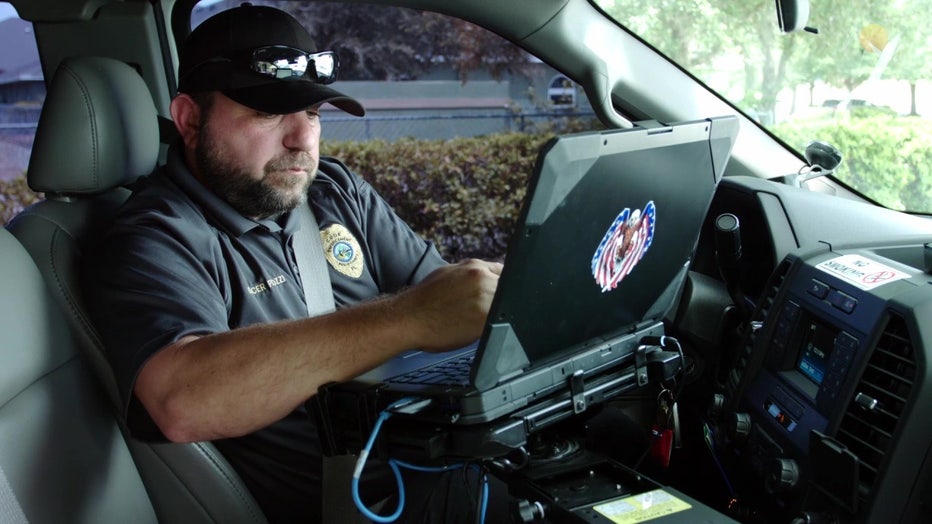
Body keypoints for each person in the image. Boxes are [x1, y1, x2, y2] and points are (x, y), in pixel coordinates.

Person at [83, 3, 507, 522]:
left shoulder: (335, 190)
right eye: (269, 112)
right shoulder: (154, 238)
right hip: (369, 507)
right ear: (190, 119)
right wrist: (408, 317)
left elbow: (441, 298)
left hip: (442, 458)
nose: (303, 140)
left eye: (312, 113)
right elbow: (182, 398)